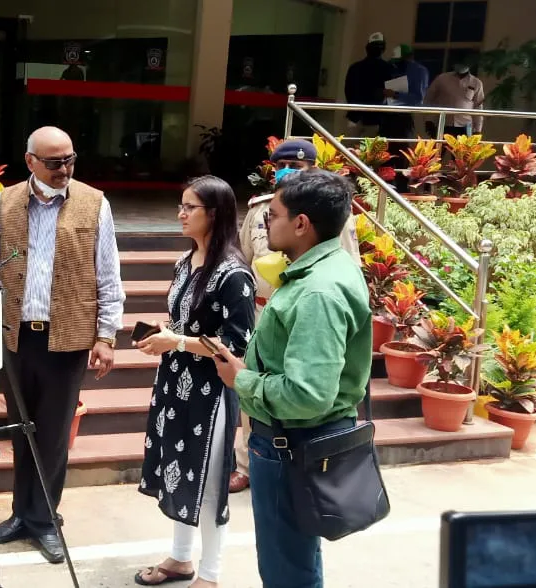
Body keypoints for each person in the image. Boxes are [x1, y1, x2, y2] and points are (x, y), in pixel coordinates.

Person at [212, 169, 372, 588]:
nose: (266, 224)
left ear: (302, 224)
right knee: (296, 557)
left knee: (287, 566)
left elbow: (308, 394)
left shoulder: (317, 290)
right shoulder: (327, 266)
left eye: (273, 216)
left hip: (290, 441)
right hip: (293, 439)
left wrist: (241, 379)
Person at [0, 126, 125, 563]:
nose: (64, 169)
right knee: (21, 431)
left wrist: (106, 335)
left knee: (54, 435)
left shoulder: (94, 203)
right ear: (30, 162)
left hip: (69, 339)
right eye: (54, 162)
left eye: (69, 160)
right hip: (16, 338)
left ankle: (45, 519)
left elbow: (109, 276)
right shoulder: (4, 202)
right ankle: (21, 513)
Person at [131, 176, 255, 587]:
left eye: (190, 207)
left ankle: (211, 573)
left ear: (214, 214)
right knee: (178, 470)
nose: (181, 214)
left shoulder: (234, 275)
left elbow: (237, 345)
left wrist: (177, 340)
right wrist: (164, 336)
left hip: (212, 390)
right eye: (180, 205)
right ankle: (182, 558)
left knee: (209, 480)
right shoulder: (186, 262)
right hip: (175, 381)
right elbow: (185, 322)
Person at [234, 138, 360, 494]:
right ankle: (248, 461)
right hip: (265, 309)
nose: (289, 172)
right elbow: (244, 258)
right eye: (283, 166)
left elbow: (349, 261)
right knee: (258, 380)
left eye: (301, 167)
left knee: (297, 385)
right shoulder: (261, 210)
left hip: (309, 317)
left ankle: (293, 459)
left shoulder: (331, 218)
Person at [343, 32, 397, 139]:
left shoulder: (355, 68)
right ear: (383, 49)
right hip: (376, 119)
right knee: (371, 153)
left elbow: (348, 91)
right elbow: (396, 96)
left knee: (348, 152)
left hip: (354, 117)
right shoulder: (389, 69)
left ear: (367, 48)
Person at [425, 64, 485, 138]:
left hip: (465, 126)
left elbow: (478, 107)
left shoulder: (476, 82)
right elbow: (428, 99)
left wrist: (478, 130)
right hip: (442, 123)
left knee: (463, 149)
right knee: (438, 148)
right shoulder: (442, 78)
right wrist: (429, 120)